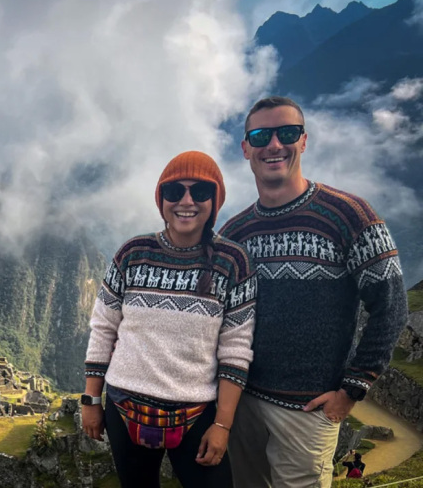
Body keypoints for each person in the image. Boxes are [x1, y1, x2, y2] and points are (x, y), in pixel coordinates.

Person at [220, 96, 408, 487]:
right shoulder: (235, 234)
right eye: (260, 135)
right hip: (241, 403)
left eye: (286, 133)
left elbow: (391, 308)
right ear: (246, 148)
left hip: (308, 409)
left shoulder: (350, 217)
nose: (274, 145)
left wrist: (352, 390)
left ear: (303, 141)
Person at [82, 151, 256, 488]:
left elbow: (236, 350)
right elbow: (103, 329)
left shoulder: (232, 262)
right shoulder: (133, 253)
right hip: (123, 407)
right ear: (162, 200)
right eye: (175, 192)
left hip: (196, 416)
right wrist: (90, 399)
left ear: (215, 199)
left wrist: (222, 425)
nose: (186, 201)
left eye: (200, 191)